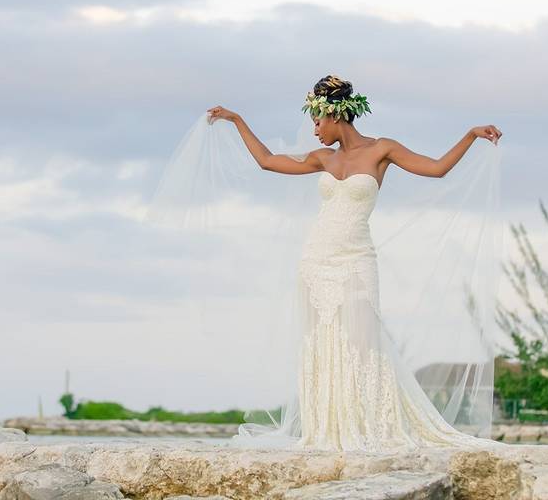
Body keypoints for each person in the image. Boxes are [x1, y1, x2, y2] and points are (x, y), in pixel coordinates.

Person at [204, 74, 504, 452]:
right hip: (316, 260)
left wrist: (470, 135)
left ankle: (375, 428)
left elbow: (437, 168)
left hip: (357, 259)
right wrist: (236, 120)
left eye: (317, 120)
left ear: (335, 115)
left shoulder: (382, 149)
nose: (314, 130)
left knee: (365, 344)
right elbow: (266, 161)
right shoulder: (322, 158)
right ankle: (329, 428)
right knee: (321, 346)